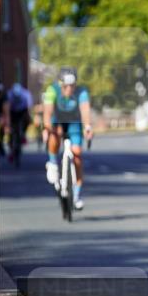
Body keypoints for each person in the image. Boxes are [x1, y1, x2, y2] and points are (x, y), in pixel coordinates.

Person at [43, 67, 93, 210]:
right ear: (60, 84)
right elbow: (47, 112)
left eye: (72, 85)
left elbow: (85, 110)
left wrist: (87, 127)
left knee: (77, 155)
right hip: (57, 121)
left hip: (74, 123)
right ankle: (52, 163)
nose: (69, 89)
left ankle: (76, 195)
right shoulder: (52, 90)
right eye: (66, 86)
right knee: (53, 135)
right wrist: (47, 127)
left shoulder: (82, 92)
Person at [4, 82, 33, 162]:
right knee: (11, 129)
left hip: (22, 110)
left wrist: (29, 117)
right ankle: (11, 146)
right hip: (12, 111)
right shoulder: (9, 95)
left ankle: (23, 133)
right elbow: (6, 109)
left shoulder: (26, 94)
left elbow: (29, 107)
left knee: (27, 120)